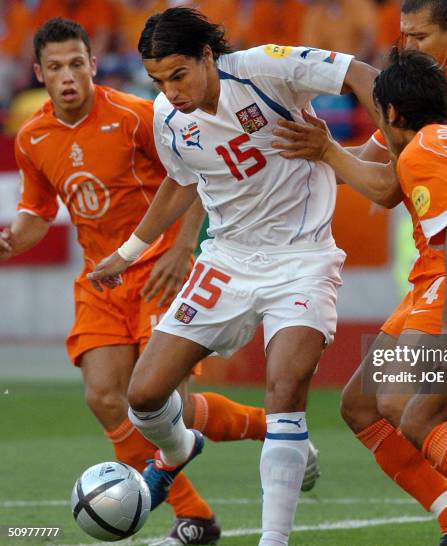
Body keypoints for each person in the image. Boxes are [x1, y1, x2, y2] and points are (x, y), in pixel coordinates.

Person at [0, 17, 313, 546]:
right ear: (39, 74)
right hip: (101, 276)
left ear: (93, 65)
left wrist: (184, 248)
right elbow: (36, 211)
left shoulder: (138, 115)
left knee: (171, 406)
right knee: (104, 397)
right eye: (55, 67)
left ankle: (275, 428)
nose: (68, 75)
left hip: (160, 269)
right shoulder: (32, 138)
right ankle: (194, 518)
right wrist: (11, 239)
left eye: (77, 63)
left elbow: (194, 174)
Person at [88, 7, 378, 546]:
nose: (170, 91)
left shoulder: (264, 69)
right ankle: (179, 449)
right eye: (158, 80)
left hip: (301, 259)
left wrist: (405, 143)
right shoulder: (168, 117)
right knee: (144, 396)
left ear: (206, 55)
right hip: (227, 261)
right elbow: (180, 183)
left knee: (284, 388)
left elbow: (362, 74)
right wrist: (129, 251)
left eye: (179, 75)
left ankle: (274, 540)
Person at [275, 1, 447, 543]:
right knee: (362, 405)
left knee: (412, 408)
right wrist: (310, 157)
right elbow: (375, 157)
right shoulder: (429, 86)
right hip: (433, 264)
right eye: (402, 36)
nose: (407, 47)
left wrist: (326, 153)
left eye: (419, 36)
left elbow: (385, 188)